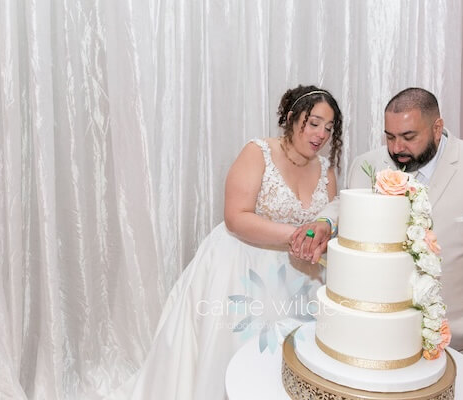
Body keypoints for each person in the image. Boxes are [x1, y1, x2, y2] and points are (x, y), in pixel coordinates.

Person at [291, 87, 463, 379]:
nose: (397, 148)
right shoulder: (367, 165)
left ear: (437, 128)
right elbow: (349, 203)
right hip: (387, 339)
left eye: (409, 137)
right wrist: (326, 221)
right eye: (389, 136)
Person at [119, 85, 343, 399]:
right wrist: (293, 236)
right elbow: (236, 217)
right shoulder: (258, 152)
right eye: (314, 122)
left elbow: (324, 226)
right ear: (292, 118)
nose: (321, 134)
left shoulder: (326, 172)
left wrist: (316, 238)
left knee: (287, 361)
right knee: (234, 351)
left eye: (329, 128)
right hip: (241, 264)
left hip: (299, 276)